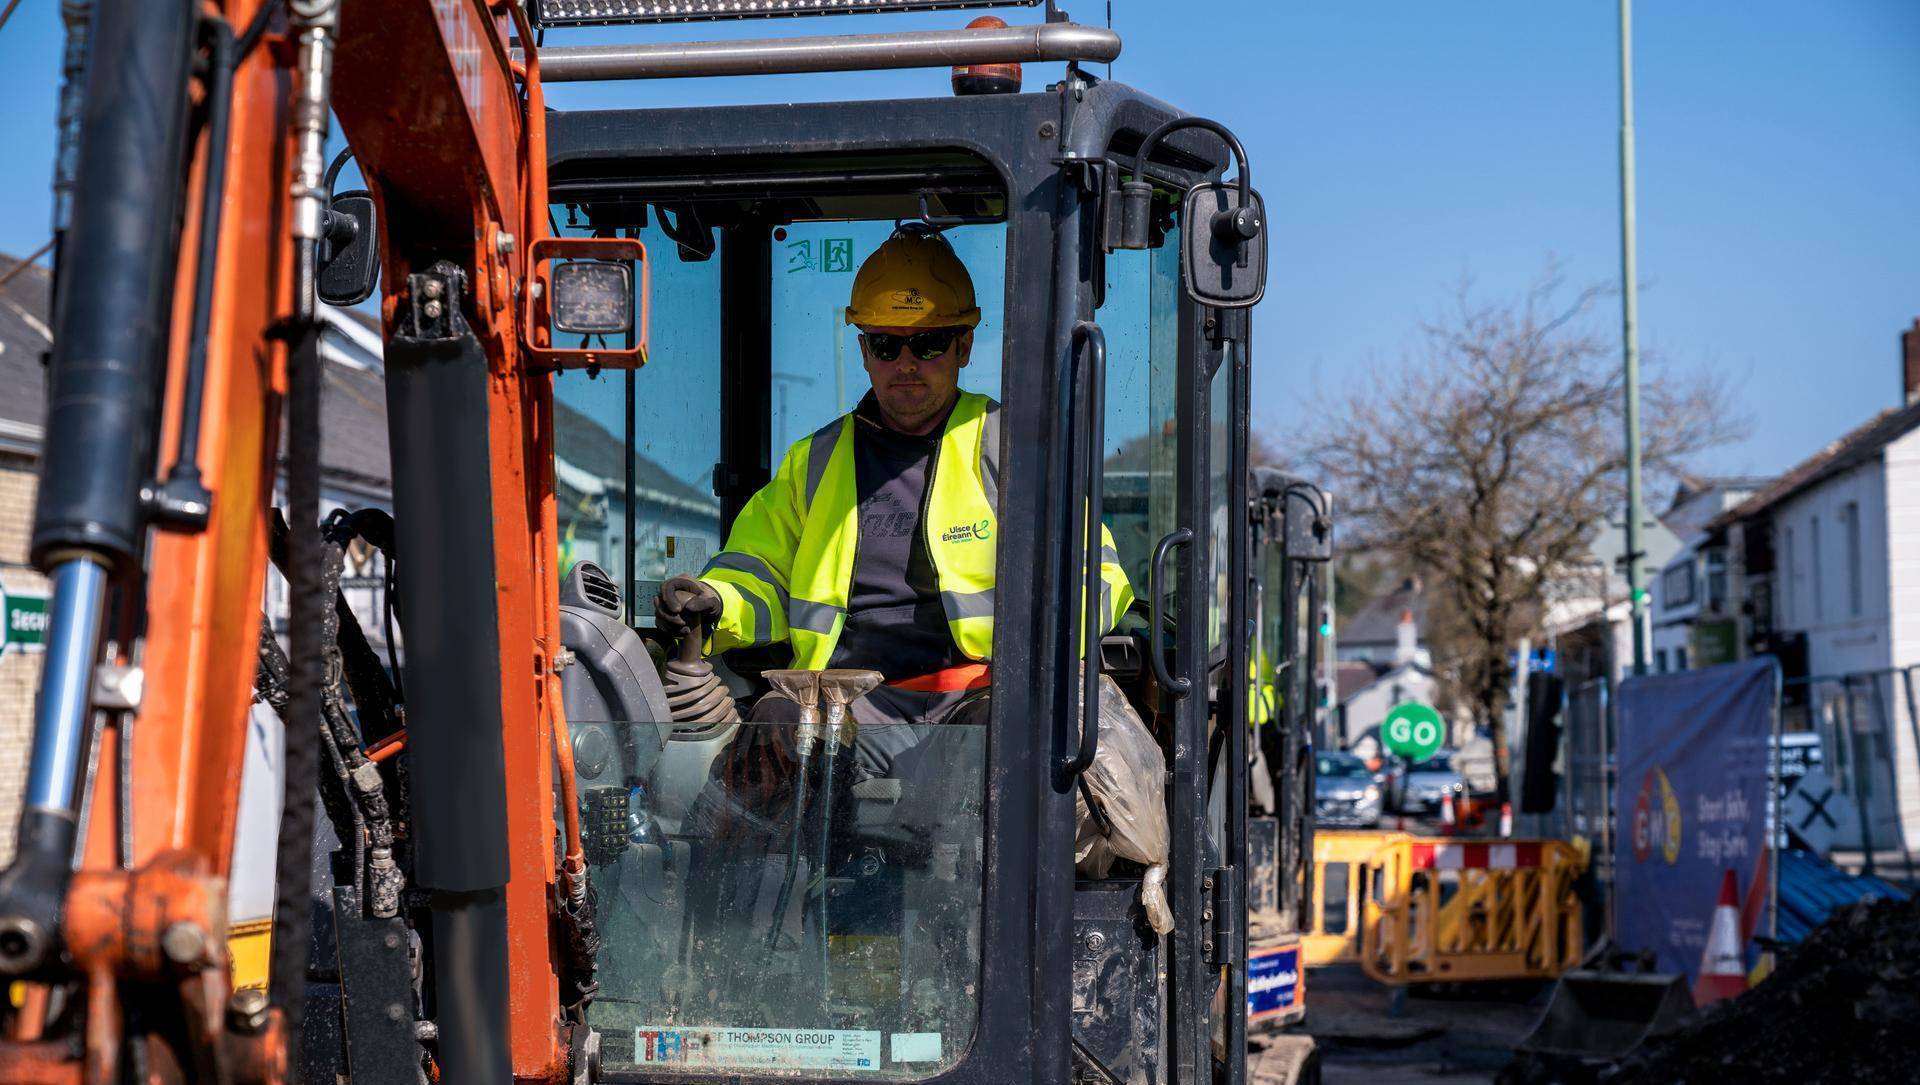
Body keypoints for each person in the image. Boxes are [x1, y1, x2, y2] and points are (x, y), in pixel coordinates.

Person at [655, 224, 1134, 756]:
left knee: (1001, 746)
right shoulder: (813, 463)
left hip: (976, 699)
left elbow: (1098, 576)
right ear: (863, 350)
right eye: (886, 344)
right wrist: (717, 601)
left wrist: (1042, 644)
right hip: (841, 705)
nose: (905, 363)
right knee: (771, 731)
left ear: (964, 346)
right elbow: (758, 570)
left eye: (927, 343)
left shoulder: (1014, 453)